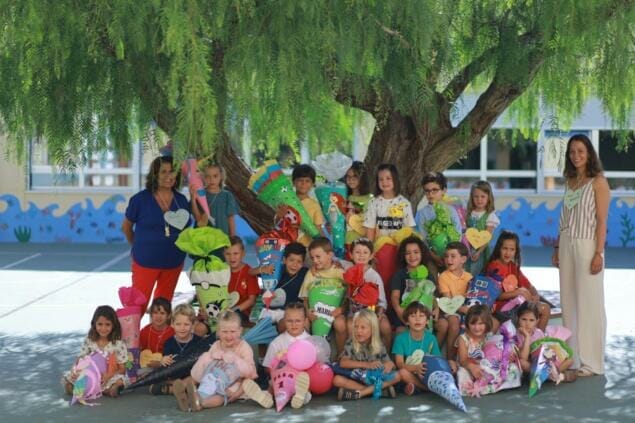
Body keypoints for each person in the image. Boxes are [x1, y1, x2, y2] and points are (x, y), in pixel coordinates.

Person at [552, 133, 609, 377]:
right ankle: (572, 358)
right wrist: (557, 248)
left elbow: (602, 221)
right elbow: (564, 217)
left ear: (589, 154)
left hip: (587, 245)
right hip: (566, 243)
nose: (576, 156)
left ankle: (592, 363)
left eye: (580, 151)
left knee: (589, 302)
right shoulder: (570, 181)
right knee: (569, 301)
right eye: (572, 152)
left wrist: (598, 253)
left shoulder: (599, 182)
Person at [122, 155, 197, 312]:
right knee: (137, 307)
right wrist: (138, 246)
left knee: (163, 309)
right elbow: (126, 227)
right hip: (145, 262)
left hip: (173, 263)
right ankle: (131, 330)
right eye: (163, 172)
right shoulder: (140, 200)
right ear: (154, 174)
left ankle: (157, 330)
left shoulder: (181, 200)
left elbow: (187, 230)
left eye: (172, 171)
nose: (168, 176)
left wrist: (195, 196)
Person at [173, 310, 257, 411]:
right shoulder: (216, 345)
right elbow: (207, 364)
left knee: (220, 397)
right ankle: (190, 397)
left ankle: (200, 404)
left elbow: (250, 374)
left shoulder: (244, 347)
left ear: (240, 331)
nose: (228, 336)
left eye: (233, 332)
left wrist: (237, 393)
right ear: (218, 332)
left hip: (233, 386)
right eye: (224, 332)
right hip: (212, 380)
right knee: (204, 362)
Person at [242, 302, 312, 409]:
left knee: (305, 386)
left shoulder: (310, 341)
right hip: (281, 379)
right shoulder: (277, 342)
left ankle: (300, 396)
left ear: (305, 321)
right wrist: (280, 368)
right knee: (272, 386)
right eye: (289, 321)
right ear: (284, 321)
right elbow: (267, 367)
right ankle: (266, 397)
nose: (294, 324)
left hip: (300, 379)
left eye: (298, 321)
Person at [485, 231, 551, 330]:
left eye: (512, 249)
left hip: (517, 305)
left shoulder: (513, 266)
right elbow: (496, 295)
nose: (508, 253)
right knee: (536, 308)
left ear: (516, 251)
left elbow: (529, 285)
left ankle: (537, 337)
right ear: (499, 248)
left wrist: (535, 295)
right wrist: (517, 292)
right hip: (501, 307)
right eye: (505, 248)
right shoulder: (494, 266)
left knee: (545, 308)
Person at [333, 309, 402, 400]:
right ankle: (378, 391)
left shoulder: (379, 345)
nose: (358, 331)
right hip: (357, 378)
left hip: (373, 378)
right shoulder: (351, 342)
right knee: (337, 380)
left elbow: (388, 363)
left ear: (373, 329)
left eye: (363, 327)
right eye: (356, 327)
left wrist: (389, 364)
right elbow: (343, 363)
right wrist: (367, 365)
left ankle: (361, 393)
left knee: (397, 376)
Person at [63, 305, 128, 397]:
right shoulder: (89, 340)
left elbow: (122, 369)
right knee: (70, 378)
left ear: (113, 325)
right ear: (94, 324)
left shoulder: (118, 344)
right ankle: (81, 388)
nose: (103, 328)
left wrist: (109, 375)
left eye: (107, 324)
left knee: (120, 380)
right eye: (100, 324)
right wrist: (75, 370)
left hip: (108, 376)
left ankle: (109, 389)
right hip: (90, 376)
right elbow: (80, 359)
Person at [340, 238, 392, 351]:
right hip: (354, 313)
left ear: (371, 255)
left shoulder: (374, 276)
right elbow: (332, 259)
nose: (361, 255)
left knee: (385, 327)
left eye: (365, 252)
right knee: (350, 325)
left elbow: (382, 301)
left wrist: (378, 316)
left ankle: (386, 354)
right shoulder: (348, 268)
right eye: (357, 252)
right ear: (351, 255)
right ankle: (353, 353)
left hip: (372, 313)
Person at [298, 237, 345, 353]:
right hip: (315, 312)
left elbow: (349, 293)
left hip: (336, 311)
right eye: (312, 257)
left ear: (330, 255)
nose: (315, 260)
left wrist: (342, 309)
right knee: (305, 323)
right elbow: (305, 297)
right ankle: (307, 353)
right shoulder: (311, 273)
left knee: (340, 324)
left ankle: (341, 354)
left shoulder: (339, 271)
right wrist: (307, 310)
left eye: (318, 257)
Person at [149, 304, 204, 395]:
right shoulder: (169, 343)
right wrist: (163, 360)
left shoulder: (199, 341)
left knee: (203, 376)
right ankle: (183, 388)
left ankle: (172, 389)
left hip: (192, 376)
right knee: (159, 375)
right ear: (172, 324)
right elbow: (166, 363)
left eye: (186, 324)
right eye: (178, 324)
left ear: (193, 325)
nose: (182, 328)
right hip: (175, 376)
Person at [515, 302, 576, 383]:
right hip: (531, 365)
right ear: (518, 319)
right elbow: (524, 358)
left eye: (531, 320)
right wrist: (527, 337)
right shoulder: (517, 335)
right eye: (524, 319)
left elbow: (545, 349)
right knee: (522, 363)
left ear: (537, 321)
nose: (527, 324)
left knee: (570, 360)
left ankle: (547, 376)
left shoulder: (539, 332)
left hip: (543, 363)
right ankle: (555, 376)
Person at [388, 236, 438, 332]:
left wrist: (436, 308)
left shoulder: (428, 274)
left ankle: (431, 342)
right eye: (408, 253)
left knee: (443, 325)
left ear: (422, 253)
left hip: (424, 314)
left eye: (416, 252)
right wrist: (399, 310)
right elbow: (394, 296)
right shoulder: (399, 274)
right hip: (405, 313)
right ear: (403, 256)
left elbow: (432, 296)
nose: (412, 256)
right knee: (400, 332)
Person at [393, 302, 442, 396]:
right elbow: (399, 364)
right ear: (407, 321)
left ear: (427, 321)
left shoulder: (431, 338)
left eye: (421, 316)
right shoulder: (400, 339)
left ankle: (415, 387)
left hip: (425, 373)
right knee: (402, 373)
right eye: (413, 316)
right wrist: (416, 368)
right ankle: (425, 389)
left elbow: (437, 359)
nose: (417, 319)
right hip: (408, 372)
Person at [415, 172, 463, 267]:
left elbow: (458, 234)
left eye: (435, 190)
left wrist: (449, 255)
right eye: (427, 191)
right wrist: (434, 257)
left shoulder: (451, 210)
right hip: (430, 257)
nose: (430, 194)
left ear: (444, 190)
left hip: (451, 258)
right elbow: (421, 239)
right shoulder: (421, 213)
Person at [436, 242, 472, 360]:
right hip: (449, 310)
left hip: (466, 309)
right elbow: (448, 302)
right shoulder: (443, 276)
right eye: (446, 256)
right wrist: (463, 309)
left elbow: (472, 297)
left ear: (463, 259)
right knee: (454, 324)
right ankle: (450, 359)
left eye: (453, 256)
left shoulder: (469, 277)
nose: (449, 259)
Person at [363, 163, 415, 241]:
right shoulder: (373, 202)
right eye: (381, 179)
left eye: (388, 178)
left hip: (400, 246)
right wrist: (370, 246)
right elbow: (370, 228)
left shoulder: (404, 203)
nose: (384, 182)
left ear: (395, 179)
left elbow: (410, 228)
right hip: (379, 246)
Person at [266, 242, 309, 332]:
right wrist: (263, 269)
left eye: (299, 262)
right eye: (291, 260)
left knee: (284, 324)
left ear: (303, 263)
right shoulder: (277, 269)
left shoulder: (305, 273)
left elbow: (320, 269)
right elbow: (251, 272)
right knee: (261, 327)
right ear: (284, 260)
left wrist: (336, 263)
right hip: (270, 309)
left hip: (290, 311)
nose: (294, 264)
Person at [191, 161, 238, 237]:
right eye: (207, 176)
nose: (211, 179)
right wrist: (193, 199)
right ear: (203, 177)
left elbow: (231, 219)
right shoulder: (200, 194)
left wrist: (232, 238)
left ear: (221, 176)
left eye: (215, 176)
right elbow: (197, 218)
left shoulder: (227, 196)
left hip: (222, 238)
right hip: (203, 237)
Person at [455, 305, 493, 391]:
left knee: (512, 368)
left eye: (481, 323)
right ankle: (476, 387)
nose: (476, 328)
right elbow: (463, 360)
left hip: (486, 367)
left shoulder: (489, 337)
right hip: (468, 367)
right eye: (473, 324)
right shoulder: (463, 338)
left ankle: (487, 385)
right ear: (467, 324)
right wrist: (472, 367)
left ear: (487, 323)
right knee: (462, 373)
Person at [465, 180, 499, 275]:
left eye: (483, 196)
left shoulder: (490, 216)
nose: (479, 200)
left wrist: (479, 252)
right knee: (467, 272)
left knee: (478, 272)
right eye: (476, 196)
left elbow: (487, 237)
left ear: (489, 197)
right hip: (468, 249)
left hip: (481, 251)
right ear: (472, 197)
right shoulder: (469, 213)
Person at [292, 164, 327, 246]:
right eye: (300, 180)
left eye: (307, 181)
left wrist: (323, 245)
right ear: (293, 182)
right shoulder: (287, 202)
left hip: (307, 246)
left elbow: (318, 228)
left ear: (312, 184)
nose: (303, 183)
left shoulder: (315, 205)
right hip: (288, 246)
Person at [343, 161, 373, 252]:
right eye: (348, 176)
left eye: (355, 176)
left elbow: (370, 227)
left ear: (362, 178)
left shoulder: (370, 199)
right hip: (344, 244)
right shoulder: (344, 197)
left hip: (361, 247)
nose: (351, 179)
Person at [139, 297, 175, 369]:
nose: (158, 316)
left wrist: (159, 363)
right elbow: (139, 352)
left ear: (168, 315)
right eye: (155, 312)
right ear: (151, 314)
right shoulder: (144, 331)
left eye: (162, 313)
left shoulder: (173, 333)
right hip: (146, 367)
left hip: (166, 368)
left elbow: (174, 358)